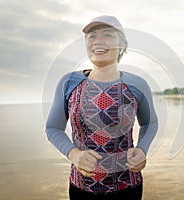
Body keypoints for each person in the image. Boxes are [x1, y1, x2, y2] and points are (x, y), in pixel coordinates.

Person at [45, 15, 158, 200]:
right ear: (86, 44)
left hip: (128, 186)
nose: (98, 41)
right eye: (92, 36)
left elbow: (150, 123)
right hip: (81, 187)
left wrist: (143, 148)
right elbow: (53, 128)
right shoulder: (69, 82)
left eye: (108, 35)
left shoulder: (138, 84)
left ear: (122, 45)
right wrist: (73, 154)